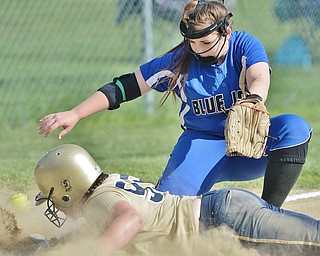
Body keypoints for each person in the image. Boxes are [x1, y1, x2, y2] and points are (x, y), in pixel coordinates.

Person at [37, 0, 312, 207]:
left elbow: (258, 73)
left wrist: (254, 99)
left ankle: (269, 212)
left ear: (226, 30)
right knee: (166, 206)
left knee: (295, 128)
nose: (197, 49)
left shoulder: (243, 45)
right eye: (192, 41)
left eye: (205, 41)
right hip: (201, 145)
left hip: (250, 147)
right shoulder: (179, 61)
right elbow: (123, 87)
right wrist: (75, 113)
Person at [34, 144, 320, 256]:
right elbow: (97, 229)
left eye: (53, 197)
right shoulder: (106, 187)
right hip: (223, 210)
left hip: (226, 221)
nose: (54, 205)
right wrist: (50, 246)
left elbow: (128, 220)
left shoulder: (100, 200)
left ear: (67, 187)